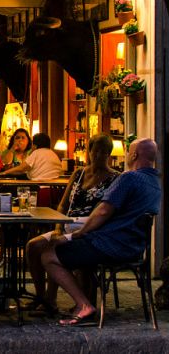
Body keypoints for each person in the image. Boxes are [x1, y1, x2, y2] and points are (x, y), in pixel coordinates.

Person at [41, 138, 161, 326]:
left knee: (48, 253)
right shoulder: (155, 183)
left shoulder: (128, 178)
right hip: (133, 248)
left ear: (134, 155)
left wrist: (79, 234)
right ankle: (77, 302)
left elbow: (103, 210)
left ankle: (83, 305)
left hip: (109, 245)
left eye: (129, 151)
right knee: (68, 248)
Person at [24, 134, 119, 314]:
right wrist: (58, 226)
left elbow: (107, 212)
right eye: (95, 151)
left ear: (109, 154)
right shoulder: (78, 173)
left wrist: (75, 232)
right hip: (66, 223)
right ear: (89, 151)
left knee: (53, 248)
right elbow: (63, 203)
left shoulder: (115, 179)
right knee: (33, 246)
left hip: (89, 229)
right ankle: (42, 296)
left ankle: (51, 300)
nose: (98, 155)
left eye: (103, 152)